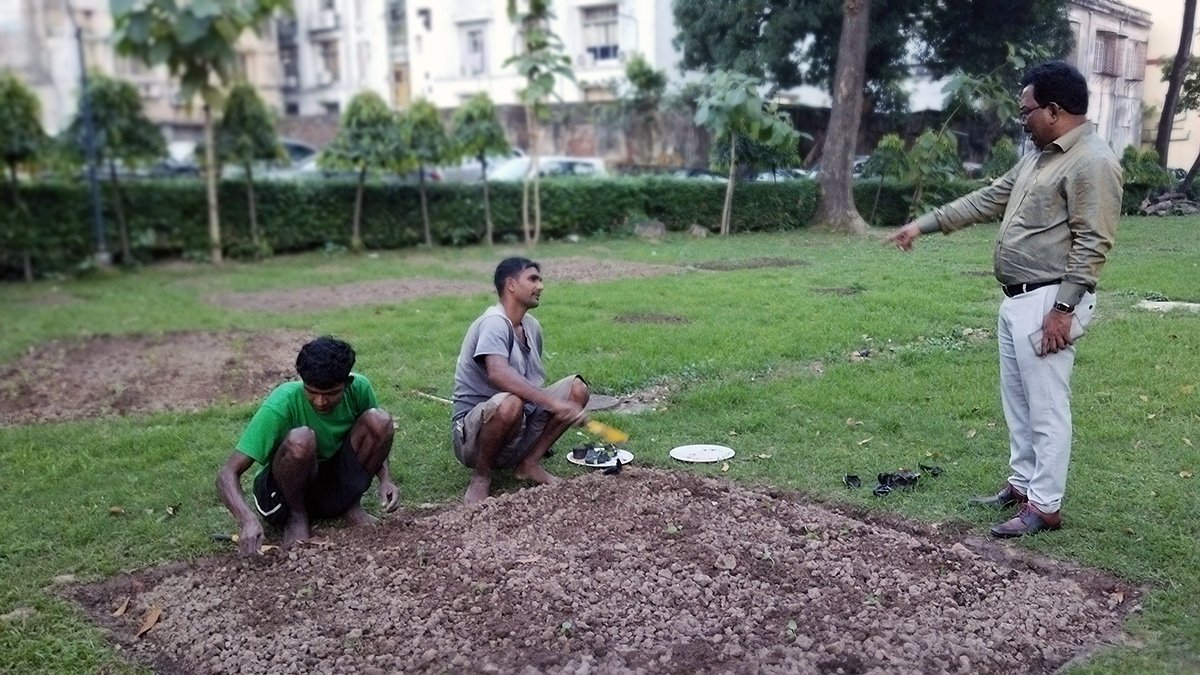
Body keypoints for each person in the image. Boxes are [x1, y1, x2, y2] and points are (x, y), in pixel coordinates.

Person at [886, 61, 1121, 538]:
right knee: (1019, 402)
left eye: (1026, 111)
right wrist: (922, 225)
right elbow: (986, 199)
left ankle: (1046, 506)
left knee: (1047, 407)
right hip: (1018, 299)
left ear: (1053, 110)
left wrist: (1063, 310)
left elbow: (1093, 242)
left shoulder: (1092, 161)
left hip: (1049, 301)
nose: (1022, 120)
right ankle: (1021, 485)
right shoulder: (1039, 158)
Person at [216, 336, 398, 555]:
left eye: (331, 394)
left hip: (329, 483)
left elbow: (377, 439)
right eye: (311, 392)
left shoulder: (359, 388)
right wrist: (246, 520)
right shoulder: (282, 402)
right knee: (301, 439)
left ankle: (350, 504)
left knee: (380, 421)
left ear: (347, 384)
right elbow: (227, 473)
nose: (320, 402)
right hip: (281, 494)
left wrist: (386, 479)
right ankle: (297, 516)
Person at [452, 257, 590, 504]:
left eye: (540, 280)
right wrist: (552, 403)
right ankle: (482, 475)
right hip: (474, 436)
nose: (540, 286)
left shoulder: (532, 326)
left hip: (519, 421)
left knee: (576, 390)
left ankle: (528, 464)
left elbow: (530, 384)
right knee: (511, 403)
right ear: (511, 285)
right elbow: (498, 373)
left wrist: (562, 404)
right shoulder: (494, 322)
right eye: (533, 279)